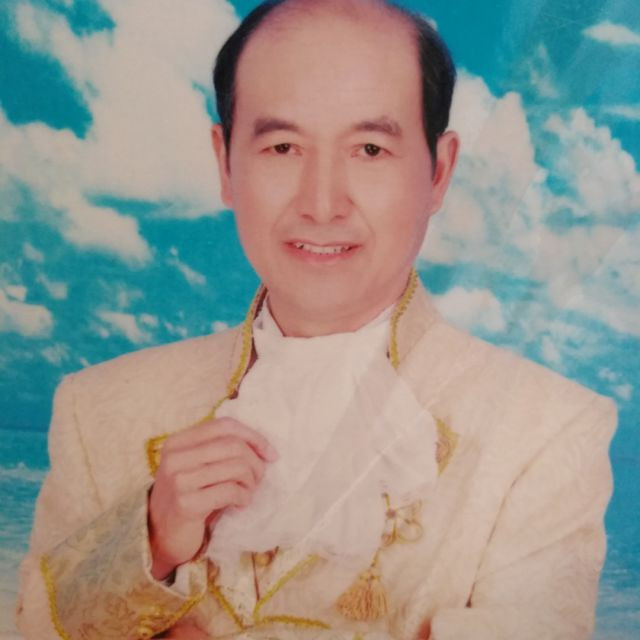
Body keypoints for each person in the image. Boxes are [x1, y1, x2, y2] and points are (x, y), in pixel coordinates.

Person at [17, 0, 617, 638]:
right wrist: (152, 539)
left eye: (369, 149)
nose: (322, 203)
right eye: (282, 146)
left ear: (439, 172)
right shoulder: (95, 410)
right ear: (225, 163)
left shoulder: (548, 433)